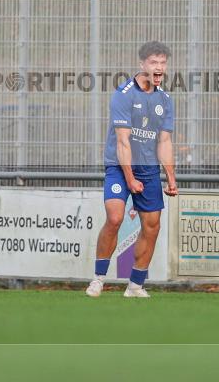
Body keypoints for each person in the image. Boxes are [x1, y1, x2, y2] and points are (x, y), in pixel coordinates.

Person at [85, 41, 178, 298]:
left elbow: (165, 141)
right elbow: (123, 142)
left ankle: (135, 285)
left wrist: (171, 177)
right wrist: (130, 179)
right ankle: (98, 279)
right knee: (115, 217)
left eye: (162, 63)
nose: (158, 68)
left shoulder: (165, 100)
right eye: (153, 63)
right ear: (142, 65)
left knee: (152, 225)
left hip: (148, 169)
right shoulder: (124, 94)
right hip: (119, 166)